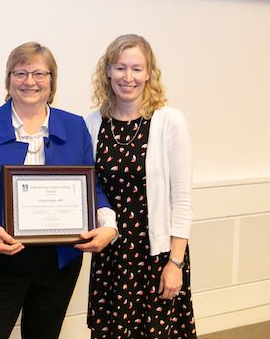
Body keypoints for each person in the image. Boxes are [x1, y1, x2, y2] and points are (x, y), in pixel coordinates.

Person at [0, 42, 118, 339]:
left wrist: (109, 226)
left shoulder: (74, 126)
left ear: (52, 81)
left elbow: (93, 190)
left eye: (40, 74)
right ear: (8, 79)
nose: (30, 81)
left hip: (58, 263)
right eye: (20, 73)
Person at [86, 34, 197, 339]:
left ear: (149, 73)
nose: (128, 77)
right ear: (107, 71)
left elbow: (183, 200)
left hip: (157, 254)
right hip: (111, 256)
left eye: (137, 68)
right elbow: (87, 190)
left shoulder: (169, 121)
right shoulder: (93, 123)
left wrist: (175, 262)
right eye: (120, 67)